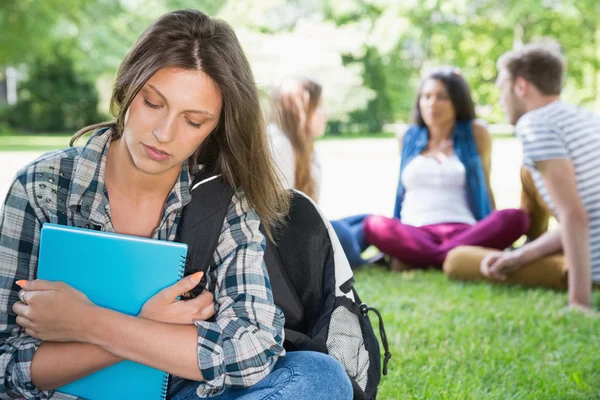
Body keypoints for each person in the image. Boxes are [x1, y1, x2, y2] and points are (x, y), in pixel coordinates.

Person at [0, 9, 353, 399]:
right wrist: (155, 326)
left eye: (194, 121)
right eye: (153, 103)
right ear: (127, 87)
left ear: (216, 126)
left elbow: (254, 349)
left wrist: (90, 323)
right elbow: (5, 366)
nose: (164, 134)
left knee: (319, 376)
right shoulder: (43, 186)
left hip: (183, 390)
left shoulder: (224, 198)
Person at [444, 41, 600, 310]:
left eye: (502, 89)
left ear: (521, 86)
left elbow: (574, 215)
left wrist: (579, 303)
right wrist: (522, 256)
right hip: (582, 245)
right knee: (506, 258)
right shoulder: (584, 118)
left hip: (586, 267)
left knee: (457, 260)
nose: (501, 99)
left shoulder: (535, 124)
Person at [358, 67, 530, 270]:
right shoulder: (407, 136)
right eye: (426, 96)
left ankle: (424, 259)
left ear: (457, 102)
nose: (432, 104)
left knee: (515, 218)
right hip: (414, 232)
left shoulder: (476, 133)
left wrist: (492, 223)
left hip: (464, 230)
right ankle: (453, 257)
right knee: (373, 224)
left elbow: (485, 184)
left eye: (442, 97)